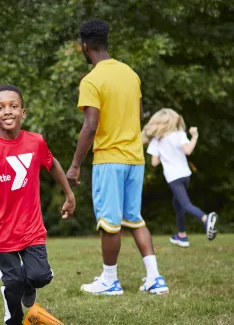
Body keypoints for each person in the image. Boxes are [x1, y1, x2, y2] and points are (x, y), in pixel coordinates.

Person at [0, 84, 75, 325]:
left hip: (31, 228)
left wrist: (69, 195)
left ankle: (28, 286)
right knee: (13, 282)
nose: (7, 111)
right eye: (0, 107)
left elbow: (54, 164)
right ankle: (13, 318)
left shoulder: (36, 142)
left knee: (40, 277)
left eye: (13, 106)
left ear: (23, 112)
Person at [66, 18, 168, 295]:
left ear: (85, 46)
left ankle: (110, 280)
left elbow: (90, 126)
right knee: (134, 218)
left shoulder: (92, 80)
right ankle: (155, 278)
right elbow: (137, 116)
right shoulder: (130, 74)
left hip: (110, 160)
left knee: (110, 223)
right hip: (135, 158)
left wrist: (75, 165)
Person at [142, 108, 218, 247]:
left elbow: (154, 163)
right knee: (177, 204)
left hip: (173, 177)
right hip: (185, 175)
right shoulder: (179, 134)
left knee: (185, 204)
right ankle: (182, 236)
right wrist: (194, 136)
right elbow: (187, 149)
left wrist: (163, 154)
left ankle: (206, 218)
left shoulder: (157, 139)